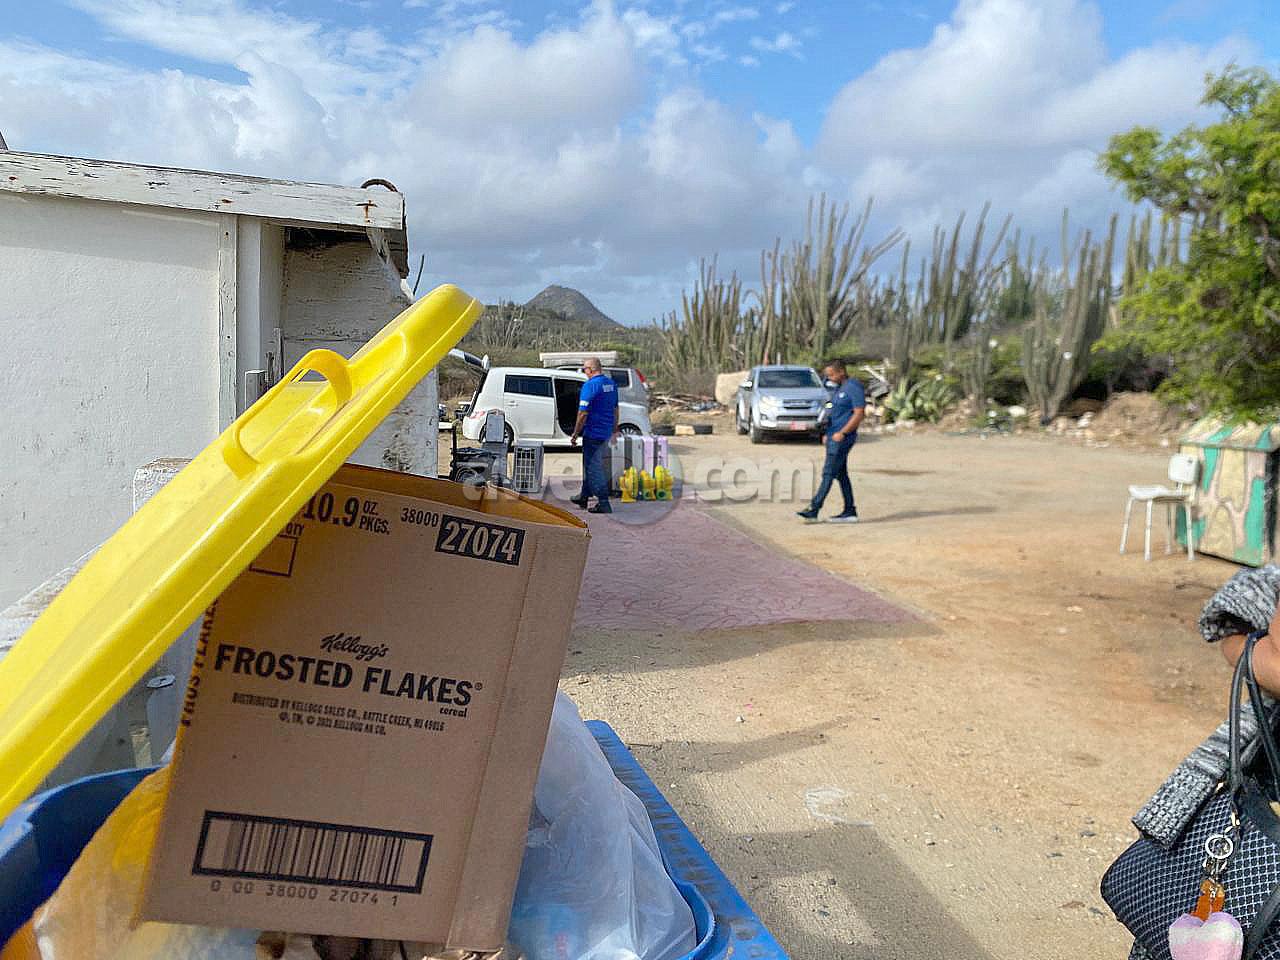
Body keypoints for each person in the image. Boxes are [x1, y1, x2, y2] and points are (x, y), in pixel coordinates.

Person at [797, 360, 865, 523]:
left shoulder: (853, 387)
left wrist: (843, 432)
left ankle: (814, 509)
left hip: (842, 438)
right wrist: (827, 433)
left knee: (828, 473)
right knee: (841, 475)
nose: (829, 378)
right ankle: (850, 511)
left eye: (831, 375)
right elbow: (834, 413)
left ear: (841, 372)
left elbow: (859, 413)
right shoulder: (838, 389)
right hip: (833, 436)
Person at [570, 358, 619, 514]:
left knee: (593, 468)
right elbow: (615, 409)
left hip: (593, 434)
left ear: (590, 369)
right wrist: (614, 430)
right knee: (590, 465)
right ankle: (584, 497)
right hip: (605, 434)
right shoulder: (611, 384)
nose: (584, 371)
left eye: (584, 369)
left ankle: (604, 503)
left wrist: (575, 433)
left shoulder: (590, 385)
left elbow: (583, 413)